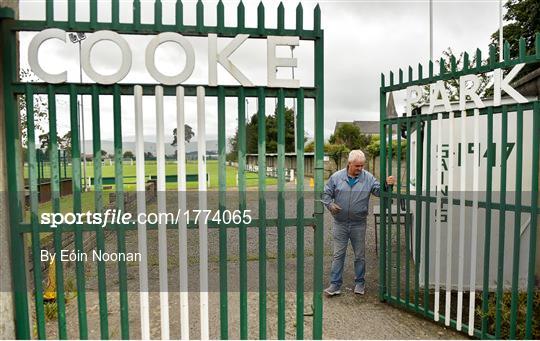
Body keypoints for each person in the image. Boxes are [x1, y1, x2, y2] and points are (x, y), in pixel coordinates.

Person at [321, 149, 395, 296]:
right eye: (357, 166)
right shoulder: (336, 177)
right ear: (349, 164)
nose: (360, 169)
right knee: (338, 255)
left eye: (362, 166)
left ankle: (360, 283)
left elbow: (379, 192)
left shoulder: (368, 178)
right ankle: (335, 285)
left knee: (360, 256)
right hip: (340, 223)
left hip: (358, 224)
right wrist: (329, 205)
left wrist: (387, 185)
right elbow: (326, 194)